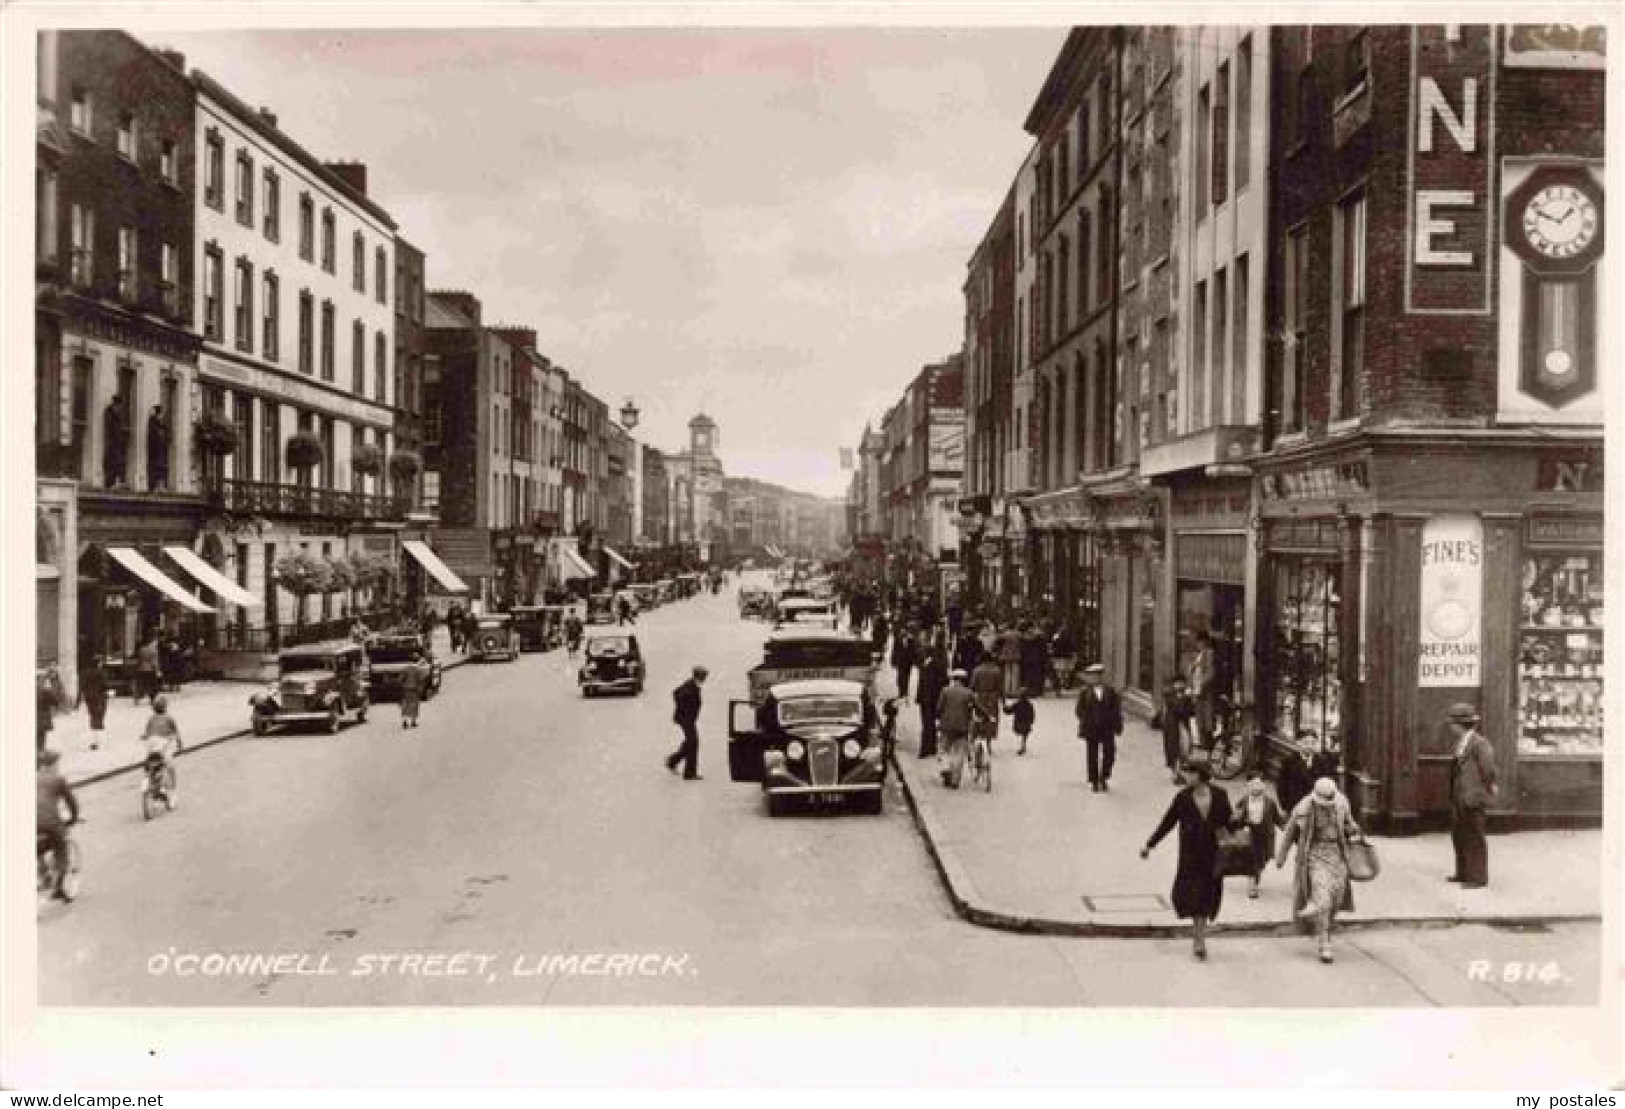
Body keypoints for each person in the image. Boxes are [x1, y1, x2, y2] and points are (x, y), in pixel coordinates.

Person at [1141, 759, 1233, 960]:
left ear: (1200, 776)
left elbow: (1229, 822)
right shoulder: (1182, 798)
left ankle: (1199, 936)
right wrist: (1150, 844)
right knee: (1192, 894)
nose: (1185, 777)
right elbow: (1168, 822)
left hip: (1212, 854)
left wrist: (1239, 823)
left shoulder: (1220, 795)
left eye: (1189, 773)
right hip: (1190, 855)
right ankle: (1198, 937)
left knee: (1207, 895)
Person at [1275, 777, 1363, 964]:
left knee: (1336, 897)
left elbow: (1350, 823)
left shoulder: (1341, 803)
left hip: (1338, 854)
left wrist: (1353, 829)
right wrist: (1281, 856)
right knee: (1322, 895)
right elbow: (1290, 831)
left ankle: (1323, 924)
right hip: (1314, 854)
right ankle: (1325, 942)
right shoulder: (1304, 807)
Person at [1446, 702, 1497, 889]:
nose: (1450, 726)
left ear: (1460, 724)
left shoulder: (1480, 743)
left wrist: (1482, 791)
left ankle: (1478, 878)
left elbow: (1489, 770)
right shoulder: (1462, 742)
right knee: (1459, 835)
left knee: (1474, 836)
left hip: (1472, 798)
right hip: (1460, 797)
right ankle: (1463, 873)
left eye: (1452, 723)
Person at [1232, 772, 1287, 899]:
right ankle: (1253, 886)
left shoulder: (1270, 802)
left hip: (1265, 836)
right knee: (1253, 860)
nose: (1256, 786)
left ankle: (1255, 877)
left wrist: (1287, 829)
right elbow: (1235, 819)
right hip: (1249, 834)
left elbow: (1278, 819)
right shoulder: (1243, 801)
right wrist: (1238, 826)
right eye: (1253, 784)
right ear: (1248, 786)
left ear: (1263, 786)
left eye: (1259, 783)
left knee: (1262, 860)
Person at [36, 749, 80, 902]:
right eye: (57, 763)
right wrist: (74, 817)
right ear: (53, 765)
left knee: (37, 846)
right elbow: (71, 802)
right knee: (62, 847)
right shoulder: (58, 779)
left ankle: (42, 872)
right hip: (50, 823)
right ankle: (58, 888)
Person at [1074, 662, 1123, 792]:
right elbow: (1079, 710)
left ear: (1102, 676)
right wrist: (1087, 720)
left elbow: (1116, 710)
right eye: (1092, 676)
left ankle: (1104, 777)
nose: (1095, 678)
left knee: (1110, 753)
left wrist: (1117, 725)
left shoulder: (1110, 691)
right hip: (1091, 728)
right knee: (1092, 755)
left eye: (1097, 675)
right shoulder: (1084, 692)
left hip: (1107, 727)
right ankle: (1094, 781)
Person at [665, 665, 708, 780]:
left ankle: (672, 761)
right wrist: (684, 711)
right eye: (704, 677)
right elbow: (677, 694)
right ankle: (689, 773)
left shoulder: (693, 685)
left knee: (691, 742)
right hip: (686, 719)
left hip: (688, 719)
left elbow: (676, 693)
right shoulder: (690, 686)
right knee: (693, 742)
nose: (705, 679)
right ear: (698, 676)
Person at [936, 668, 977, 788]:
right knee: (959, 753)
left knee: (943, 750)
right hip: (962, 727)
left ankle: (946, 769)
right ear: (964, 680)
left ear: (953, 679)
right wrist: (988, 716)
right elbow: (976, 707)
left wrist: (940, 717)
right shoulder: (969, 693)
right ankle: (955, 781)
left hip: (946, 726)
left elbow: (939, 708)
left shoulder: (945, 691)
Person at [1156, 676, 1198, 785]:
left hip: (1183, 726)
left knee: (1184, 749)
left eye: (1182, 683)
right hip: (1172, 727)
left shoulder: (1185, 697)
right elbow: (1177, 710)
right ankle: (1175, 774)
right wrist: (1184, 699)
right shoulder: (1169, 695)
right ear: (1174, 684)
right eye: (1178, 683)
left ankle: (1178, 773)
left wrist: (1190, 700)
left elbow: (1191, 712)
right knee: (1173, 750)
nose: (1180, 685)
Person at [141, 694, 182, 802]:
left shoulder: (151, 719)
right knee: (169, 767)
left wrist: (145, 736)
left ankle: (157, 785)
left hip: (154, 747)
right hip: (162, 747)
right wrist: (179, 744)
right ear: (165, 707)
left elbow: (147, 733)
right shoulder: (169, 718)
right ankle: (172, 789)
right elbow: (176, 733)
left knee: (151, 764)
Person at [915, 644, 949, 760]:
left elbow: (944, 680)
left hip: (931, 699)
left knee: (927, 724)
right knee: (928, 723)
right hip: (925, 699)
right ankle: (931, 747)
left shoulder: (935, 665)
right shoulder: (924, 664)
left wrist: (936, 690)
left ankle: (925, 749)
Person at [1186, 630, 1217, 745]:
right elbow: (1194, 671)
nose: (1199, 644)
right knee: (1199, 716)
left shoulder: (1209, 653)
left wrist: (1201, 685)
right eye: (1198, 642)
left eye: (1200, 642)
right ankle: (1202, 741)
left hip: (1205, 691)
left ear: (1205, 642)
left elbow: (1211, 672)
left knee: (1206, 717)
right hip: (1198, 691)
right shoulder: (1198, 654)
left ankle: (1207, 743)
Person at [1276, 731, 1320, 814]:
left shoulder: (1322, 762)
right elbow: (1281, 785)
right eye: (1306, 743)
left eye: (1313, 743)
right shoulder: (1289, 761)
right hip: (1294, 806)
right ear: (1298, 743)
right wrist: (1285, 805)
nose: (1309, 746)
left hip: (1316, 807)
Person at [968, 653, 1004, 751]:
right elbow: (1000, 687)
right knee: (991, 721)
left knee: (978, 719)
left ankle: (974, 743)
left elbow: (972, 686)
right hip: (993, 698)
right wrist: (1003, 701)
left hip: (980, 697)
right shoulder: (997, 670)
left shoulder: (977, 670)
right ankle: (988, 745)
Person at [80, 657, 109, 749]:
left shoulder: (85, 673)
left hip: (89, 698)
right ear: (98, 663)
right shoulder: (101, 672)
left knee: (93, 717)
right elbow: (105, 685)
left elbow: (82, 685)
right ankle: (98, 742)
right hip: (99, 697)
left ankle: (94, 740)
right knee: (99, 717)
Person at [398, 652, 427, 730]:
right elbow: (421, 680)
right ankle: (413, 722)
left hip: (406, 689)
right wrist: (421, 689)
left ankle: (404, 721)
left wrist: (403, 685)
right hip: (415, 690)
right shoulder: (419, 670)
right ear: (417, 660)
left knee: (405, 704)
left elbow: (400, 679)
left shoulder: (405, 668)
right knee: (414, 705)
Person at [1004, 688, 1036, 757]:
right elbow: (1032, 715)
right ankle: (1023, 745)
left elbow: (1009, 711)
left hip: (1019, 724)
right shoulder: (1029, 705)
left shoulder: (1017, 704)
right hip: (1026, 724)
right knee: (1025, 734)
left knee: (1023, 732)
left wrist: (1005, 708)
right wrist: (1031, 722)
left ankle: (1023, 747)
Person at [1049, 622, 1077, 696]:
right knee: (1065, 672)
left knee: (1059, 672)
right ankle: (1063, 684)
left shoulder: (1056, 636)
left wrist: (1051, 654)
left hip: (1058, 657)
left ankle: (1060, 687)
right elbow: (1072, 647)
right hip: (1066, 657)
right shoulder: (1069, 637)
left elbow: (1053, 646)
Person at [890, 629, 918, 701]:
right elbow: (894, 651)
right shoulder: (897, 640)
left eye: (905, 634)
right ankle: (901, 691)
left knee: (907, 677)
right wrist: (893, 661)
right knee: (900, 677)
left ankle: (904, 692)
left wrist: (914, 660)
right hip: (900, 662)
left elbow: (913, 650)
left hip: (908, 662)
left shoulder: (911, 640)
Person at [135, 633, 162, 705]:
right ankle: (152, 699)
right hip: (150, 670)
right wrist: (157, 670)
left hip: (141, 669)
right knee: (152, 685)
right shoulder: (154, 650)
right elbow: (154, 662)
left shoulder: (142, 649)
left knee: (142, 685)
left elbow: (139, 660)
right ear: (152, 642)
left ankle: (137, 698)